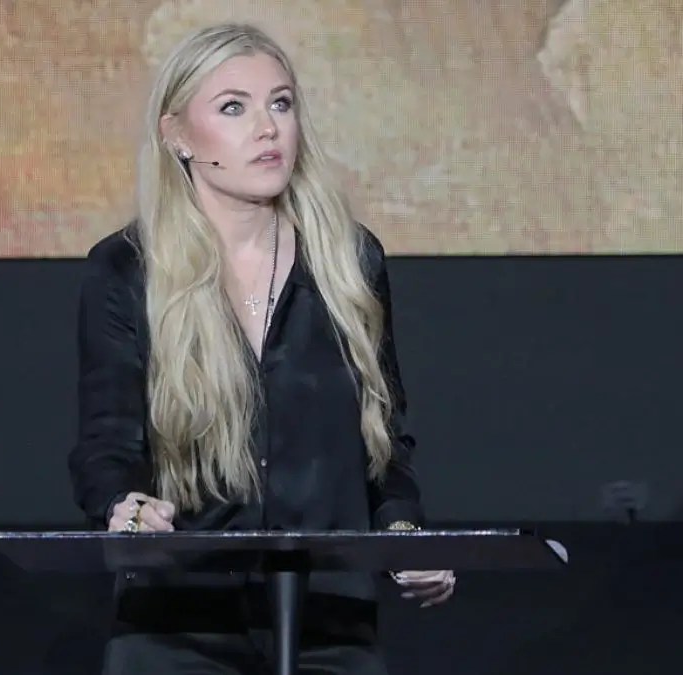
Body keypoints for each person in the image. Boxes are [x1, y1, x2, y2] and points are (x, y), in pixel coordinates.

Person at [67, 22, 455, 675]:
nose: (267, 128)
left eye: (281, 103)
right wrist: (123, 506)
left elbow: (383, 442)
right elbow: (106, 444)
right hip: (178, 626)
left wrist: (403, 534)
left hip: (327, 621)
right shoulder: (127, 269)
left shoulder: (349, 262)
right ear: (177, 135)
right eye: (233, 108)